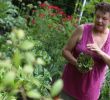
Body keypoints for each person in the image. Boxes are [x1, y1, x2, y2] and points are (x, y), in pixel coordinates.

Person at [61, 2, 110, 100]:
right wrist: (76, 63)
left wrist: (99, 52)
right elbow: (65, 51)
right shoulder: (82, 29)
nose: (99, 20)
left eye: (104, 18)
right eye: (97, 16)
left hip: (89, 93)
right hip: (68, 85)